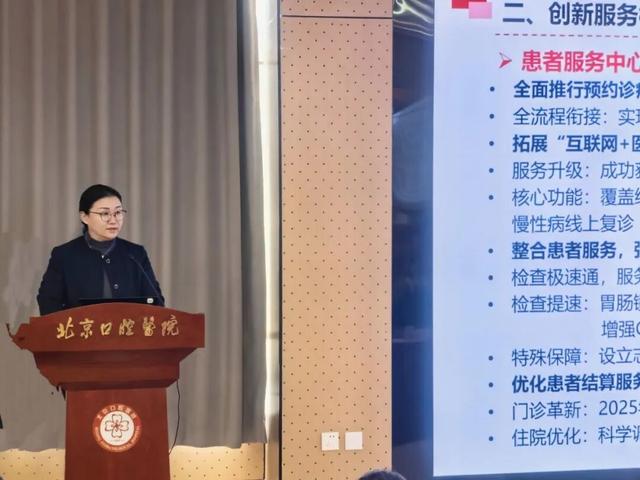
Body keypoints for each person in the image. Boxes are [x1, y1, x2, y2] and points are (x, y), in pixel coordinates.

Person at [37, 184, 164, 315]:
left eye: (118, 213)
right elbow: (48, 303)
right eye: (105, 213)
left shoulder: (135, 254)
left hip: (129, 327)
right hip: (82, 327)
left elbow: (156, 302)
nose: (113, 220)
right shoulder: (64, 255)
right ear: (84, 217)